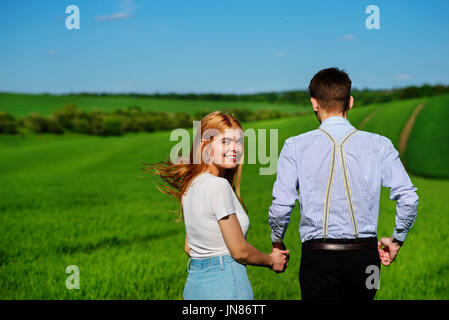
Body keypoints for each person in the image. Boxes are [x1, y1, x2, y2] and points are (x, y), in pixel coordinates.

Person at [269, 67, 419, 300]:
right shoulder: (380, 144)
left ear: (314, 103)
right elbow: (409, 198)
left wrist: (277, 241)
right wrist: (397, 239)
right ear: (350, 102)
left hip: (316, 257)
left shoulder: (294, 146)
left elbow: (281, 206)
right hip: (367, 258)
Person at [147, 111, 288, 300]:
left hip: (195, 284)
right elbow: (239, 251)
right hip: (227, 283)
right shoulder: (218, 186)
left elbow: (189, 247)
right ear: (206, 147)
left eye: (238, 142)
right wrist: (271, 261)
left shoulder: (190, 185)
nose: (234, 148)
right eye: (225, 142)